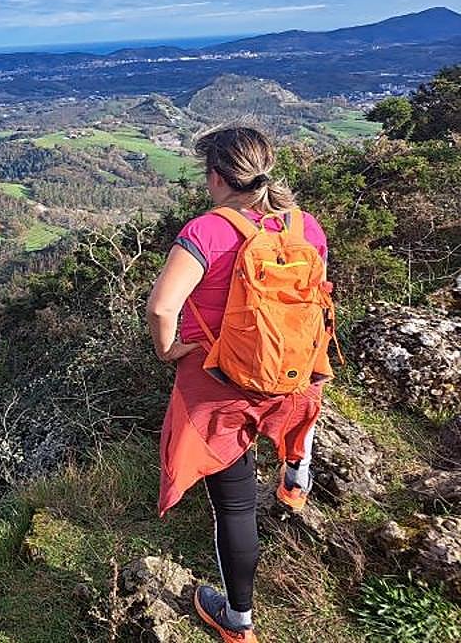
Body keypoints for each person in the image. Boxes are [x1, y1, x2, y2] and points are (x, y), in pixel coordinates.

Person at [146, 126, 332, 643]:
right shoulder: (305, 225)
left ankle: (238, 621)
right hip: (297, 375)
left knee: (234, 505)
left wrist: (167, 350)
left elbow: (163, 306)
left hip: (221, 388)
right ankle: (297, 478)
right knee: (299, 412)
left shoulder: (207, 231)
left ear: (217, 176)